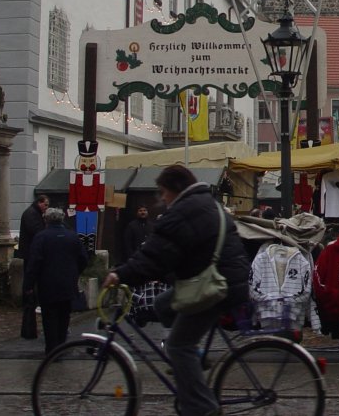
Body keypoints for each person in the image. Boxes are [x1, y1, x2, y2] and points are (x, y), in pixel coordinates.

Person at [103, 164, 249, 416]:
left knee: (178, 346)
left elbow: (156, 253)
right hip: (222, 278)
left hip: (216, 286)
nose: (162, 198)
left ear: (175, 189)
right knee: (162, 304)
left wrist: (121, 274)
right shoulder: (204, 201)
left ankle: (203, 408)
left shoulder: (185, 211)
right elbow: (180, 252)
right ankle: (197, 356)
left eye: (163, 192)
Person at [23, 208, 89, 354]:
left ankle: (52, 348)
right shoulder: (72, 237)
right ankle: (61, 345)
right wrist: (74, 272)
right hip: (68, 283)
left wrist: (28, 284)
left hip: (47, 284)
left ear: (46, 220)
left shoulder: (41, 237)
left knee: (49, 317)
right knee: (64, 316)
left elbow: (34, 262)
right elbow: (84, 259)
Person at [18, 193, 49, 339]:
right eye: (45, 205)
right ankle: (29, 327)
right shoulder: (31, 214)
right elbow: (38, 232)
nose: (46, 208)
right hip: (31, 255)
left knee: (32, 290)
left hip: (31, 254)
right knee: (30, 290)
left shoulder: (33, 213)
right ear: (39, 203)